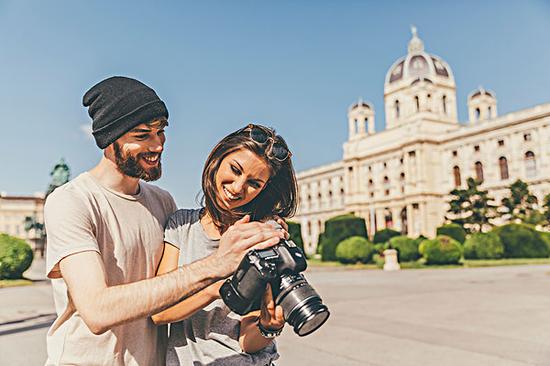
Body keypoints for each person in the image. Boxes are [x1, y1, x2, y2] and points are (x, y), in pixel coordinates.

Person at [44, 77, 285, 366]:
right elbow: (96, 311)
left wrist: (264, 221)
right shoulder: (72, 201)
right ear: (110, 138)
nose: (157, 145)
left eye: (161, 132)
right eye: (142, 134)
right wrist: (217, 266)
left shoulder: (162, 202)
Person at [151, 124, 298, 366]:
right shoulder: (181, 225)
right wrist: (219, 288)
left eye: (255, 183)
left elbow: (246, 340)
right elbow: (160, 312)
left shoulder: (262, 235)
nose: (238, 188)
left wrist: (267, 327)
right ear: (218, 159)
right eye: (235, 169)